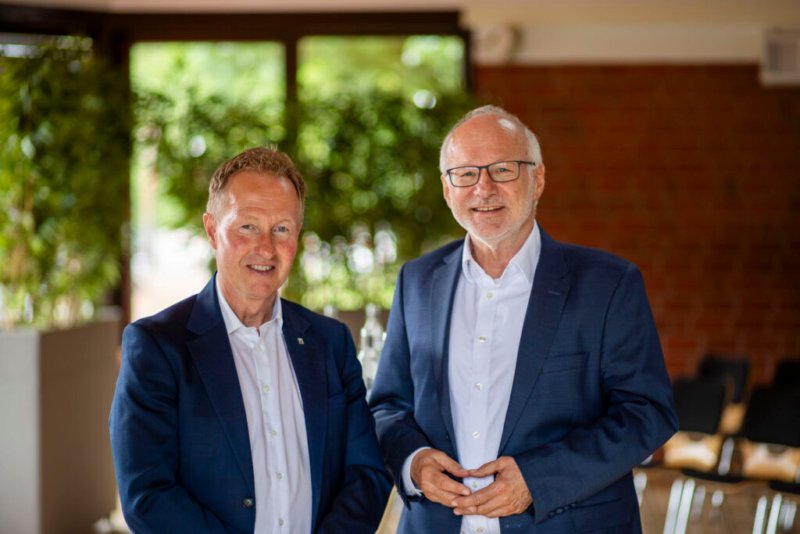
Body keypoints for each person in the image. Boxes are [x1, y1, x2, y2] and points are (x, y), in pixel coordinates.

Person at [369, 106, 677, 533]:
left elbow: (648, 412)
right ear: (446, 188)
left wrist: (538, 478)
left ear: (538, 180)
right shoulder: (417, 281)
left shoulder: (607, 284)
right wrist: (414, 462)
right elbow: (388, 406)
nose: (484, 188)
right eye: (465, 173)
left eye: (502, 169)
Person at [110, 147, 391, 533]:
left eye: (281, 229)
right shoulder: (156, 346)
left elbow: (366, 473)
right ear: (212, 230)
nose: (265, 247)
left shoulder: (331, 343)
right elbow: (148, 494)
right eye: (247, 227)